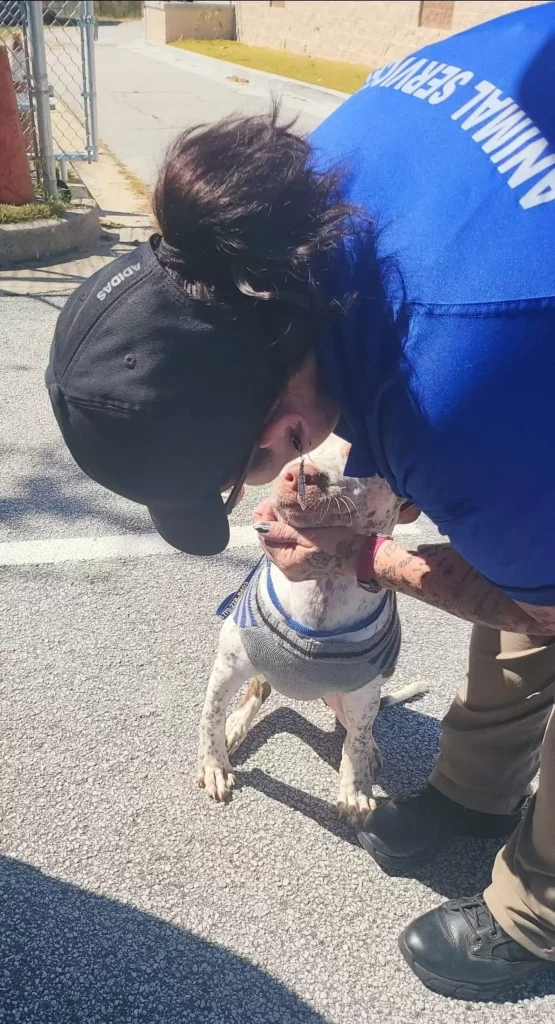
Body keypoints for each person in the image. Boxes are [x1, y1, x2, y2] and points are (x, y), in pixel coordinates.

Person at [46, 3, 555, 1002]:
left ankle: (537, 913)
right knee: (515, 535)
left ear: (280, 424)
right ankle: (475, 793)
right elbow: (389, 376)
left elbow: (540, 599)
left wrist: (372, 562)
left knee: (528, 567)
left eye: (241, 468)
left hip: (519, 338)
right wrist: (379, 506)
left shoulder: (463, 392)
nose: (257, 487)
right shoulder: (300, 206)